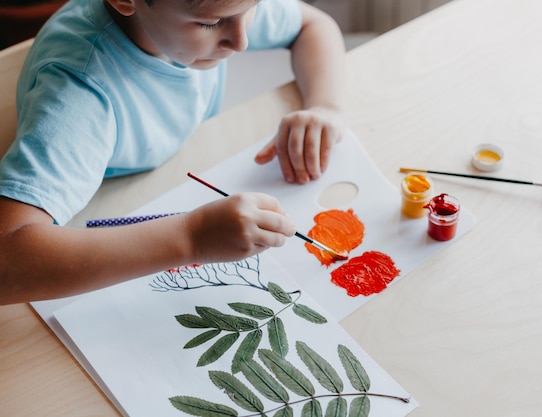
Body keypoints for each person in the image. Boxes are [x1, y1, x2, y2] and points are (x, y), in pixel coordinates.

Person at [0, 0, 346, 305]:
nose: (241, 42)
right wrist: (192, 238)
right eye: (211, 23)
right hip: (108, 191)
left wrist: (326, 106)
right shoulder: (80, 97)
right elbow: (7, 257)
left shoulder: (215, 7)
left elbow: (313, 23)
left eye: (251, 8)